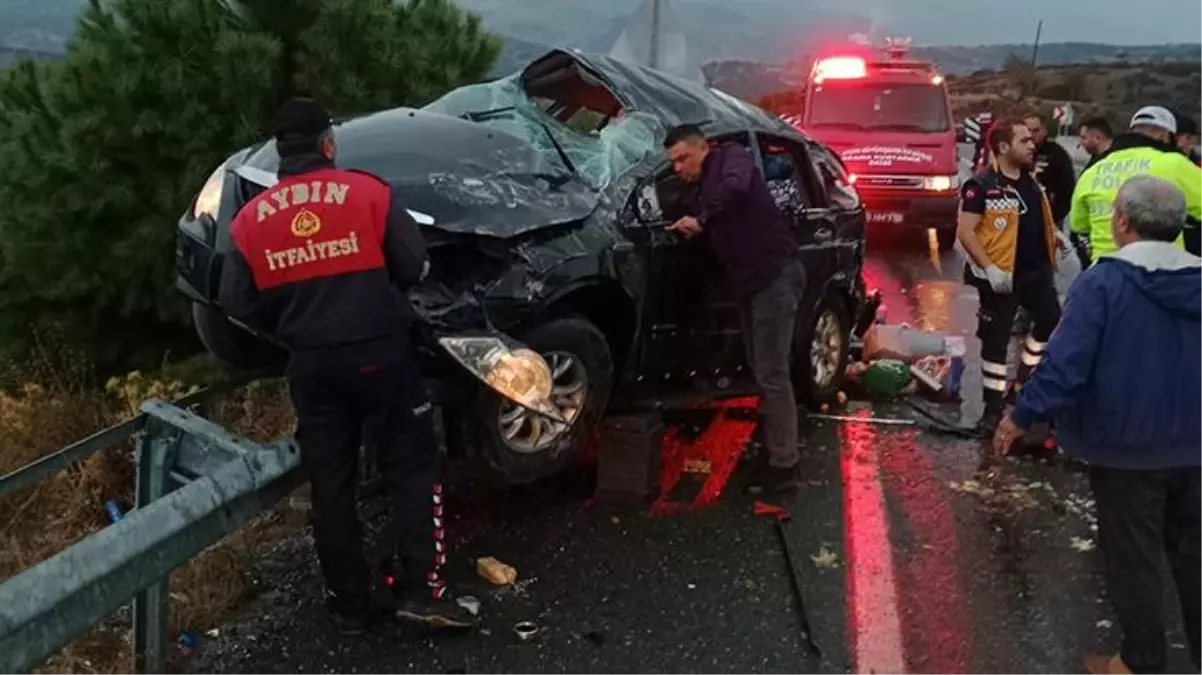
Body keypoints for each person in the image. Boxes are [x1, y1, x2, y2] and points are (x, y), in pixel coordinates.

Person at [218, 97, 474, 635]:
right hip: (382, 353)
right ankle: (422, 593)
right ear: (327, 144)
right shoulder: (368, 193)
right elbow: (413, 264)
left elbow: (236, 302)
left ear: (280, 153)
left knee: (331, 482)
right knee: (411, 466)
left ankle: (349, 603)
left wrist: (291, 323)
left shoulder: (249, 220)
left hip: (312, 365)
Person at [993, 175, 1202, 675]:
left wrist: (1021, 416)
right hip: (1196, 448)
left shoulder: (1104, 283)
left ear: (1122, 222)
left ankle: (1140, 662)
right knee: (1195, 559)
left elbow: (1066, 364)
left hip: (1126, 448)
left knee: (1134, 560)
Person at [662, 123, 805, 495]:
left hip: (775, 277)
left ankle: (785, 466)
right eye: (673, 162)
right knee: (761, 369)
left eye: (683, 158)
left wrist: (703, 219)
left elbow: (736, 187)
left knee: (772, 373)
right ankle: (773, 450)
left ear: (703, 148)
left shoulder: (732, 158)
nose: (679, 167)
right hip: (750, 285)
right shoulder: (697, 190)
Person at [955, 117, 1062, 436]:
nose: (1032, 145)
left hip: (1036, 273)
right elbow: (966, 231)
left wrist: (1054, 235)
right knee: (995, 343)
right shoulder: (982, 186)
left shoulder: (1032, 182)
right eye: (1023, 141)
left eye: (1032, 139)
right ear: (1003, 147)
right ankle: (993, 409)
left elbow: (1033, 217)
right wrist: (988, 267)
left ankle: (1022, 383)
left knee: (1049, 321)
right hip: (1001, 276)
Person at [1069, 105, 1202, 261]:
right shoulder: (1176, 164)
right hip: (1161, 273)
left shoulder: (1094, 170)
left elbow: (1078, 225)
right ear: (1164, 135)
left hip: (1106, 272)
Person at [1024, 113, 1077, 226]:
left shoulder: (1057, 154)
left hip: (1049, 217)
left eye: (1036, 130)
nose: (1031, 135)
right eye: (1028, 130)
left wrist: (1054, 216)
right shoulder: (1016, 152)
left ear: (1045, 131)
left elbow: (1068, 187)